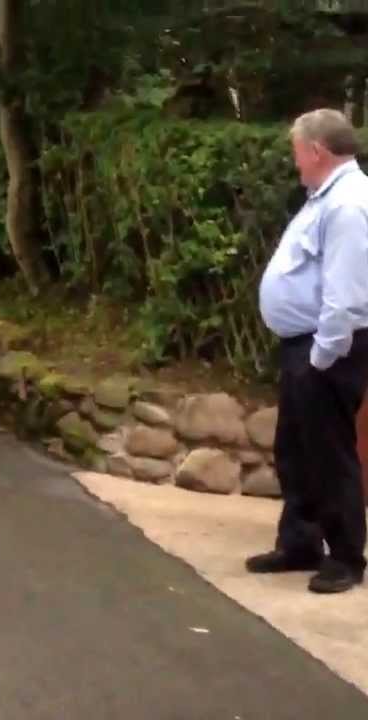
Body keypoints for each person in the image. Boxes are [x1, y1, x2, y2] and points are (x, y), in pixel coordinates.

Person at [252, 108, 368, 594]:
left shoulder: (348, 205)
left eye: (297, 152)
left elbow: (348, 294)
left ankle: (345, 557)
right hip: (305, 345)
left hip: (328, 347)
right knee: (295, 449)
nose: (295, 161)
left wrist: (322, 357)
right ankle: (300, 542)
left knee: (329, 452)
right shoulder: (324, 197)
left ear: (316, 150)